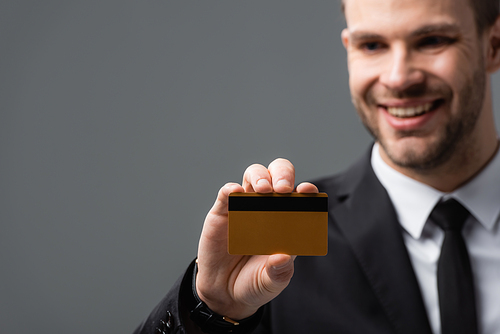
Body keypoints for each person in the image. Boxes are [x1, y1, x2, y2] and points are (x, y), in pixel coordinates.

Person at [134, 0, 500, 333]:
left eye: (432, 40)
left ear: (494, 46)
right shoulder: (277, 259)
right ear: (349, 49)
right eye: (372, 45)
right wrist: (210, 308)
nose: (398, 77)